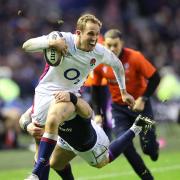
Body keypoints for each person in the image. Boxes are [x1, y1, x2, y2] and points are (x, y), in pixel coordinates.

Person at [22, 14, 135, 179]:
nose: (95, 38)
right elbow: (27, 45)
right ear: (78, 33)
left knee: (54, 119)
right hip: (45, 93)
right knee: (40, 145)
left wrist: (123, 91)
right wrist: (50, 43)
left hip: (69, 96)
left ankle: (36, 173)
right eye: (90, 33)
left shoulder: (99, 52)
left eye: (97, 34)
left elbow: (117, 65)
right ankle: (39, 173)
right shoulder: (62, 39)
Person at [20, 91, 154, 180]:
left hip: (89, 143)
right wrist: (27, 126)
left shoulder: (68, 98)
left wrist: (72, 97)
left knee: (102, 162)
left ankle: (137, 126)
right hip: (66, 138)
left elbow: (87, 112)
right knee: (55, 163)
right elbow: (23, 117)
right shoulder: (43, 102)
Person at [90, 29, 161, 180]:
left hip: (142, 106)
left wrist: (143, 99)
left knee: (149, 149)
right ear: (104, 44)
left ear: (121, 43)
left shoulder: (135, 57)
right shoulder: (100, 61)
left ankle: (153, 148)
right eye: (108, 45)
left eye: (115, 45)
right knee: (125, 146)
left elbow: (155, 77)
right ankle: (148, 178)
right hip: (118, 110)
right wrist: (97, 113)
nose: (112, 49)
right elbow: (95, 88)